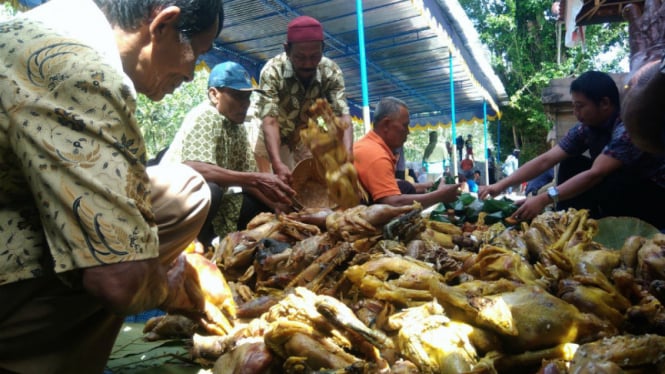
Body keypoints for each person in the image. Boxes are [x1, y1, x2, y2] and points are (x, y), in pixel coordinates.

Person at [0, 0, 224, 371]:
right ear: (163, 24)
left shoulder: (30, 30)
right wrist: (163, 284)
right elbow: (117, 281)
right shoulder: (82, 69)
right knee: (184, 195)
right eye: (197, 55)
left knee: (169, 195)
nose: (190, 75)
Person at [480, 71, 665, 229]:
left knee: (613, 178)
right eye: (574, 107)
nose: (576, 113)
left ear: (605, 103)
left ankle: (614, 227)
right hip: (616, 190)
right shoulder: (586, 128)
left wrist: (544, 199)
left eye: (580, 106)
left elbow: (596, 173)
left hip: (651, 196)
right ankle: (566, 224)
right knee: (571, 163)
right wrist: (500, 185)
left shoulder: (627, 128)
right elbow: (546, 160)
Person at [161, 62, 296, 245]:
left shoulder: (236, 127)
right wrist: (256, 179)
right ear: (214, 94)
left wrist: (279, 206)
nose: (245, 105)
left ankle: (227, 248)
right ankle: (187, 248)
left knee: (259, 203)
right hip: (173, 203)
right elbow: (196, 170)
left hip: (209, 206)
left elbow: (252, 183)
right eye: (238, 97)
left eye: (248, 98)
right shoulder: (206, 115)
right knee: (210, 190)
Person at [253, 15, 353, 184]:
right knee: (274, 187)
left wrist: (348, 154)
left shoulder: (332, 72)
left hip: (303, 136)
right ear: (287, 50)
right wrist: (277, 163)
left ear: (323, 49)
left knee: (311, 184)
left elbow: (342, 115)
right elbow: (270, 121)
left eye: (314, 56)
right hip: (271, 134)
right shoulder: (272, 71)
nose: (308, 64)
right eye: (300, 57)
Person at [353, 97, 459, 208]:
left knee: (404, 185)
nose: (408, 132)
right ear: (386, 124)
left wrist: (429, 186)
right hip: (353, 221)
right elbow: (393, 203)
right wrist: (439, 196)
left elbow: (387, 183)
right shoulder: (376, 155)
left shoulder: (367, 145)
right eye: (404, 125)